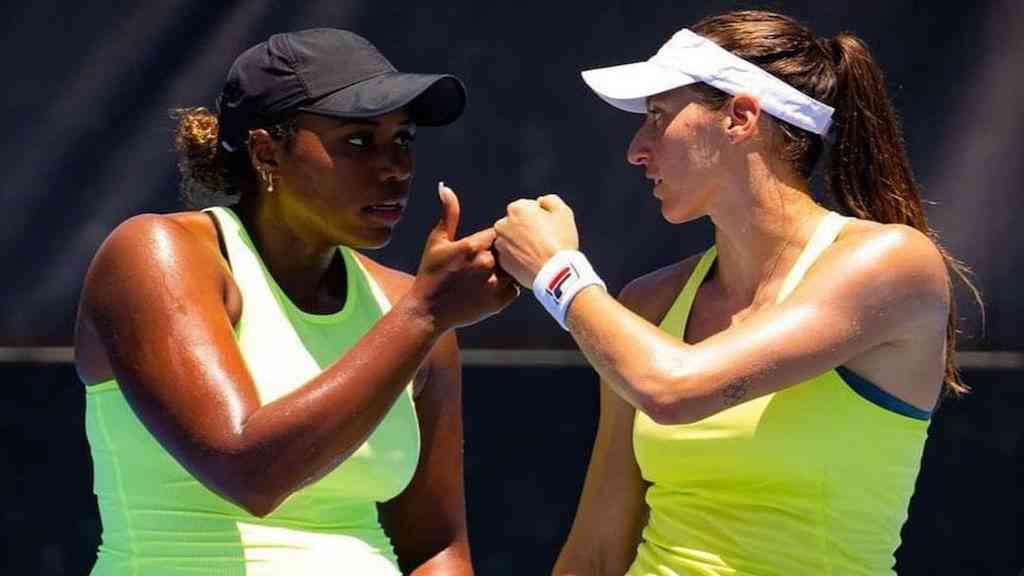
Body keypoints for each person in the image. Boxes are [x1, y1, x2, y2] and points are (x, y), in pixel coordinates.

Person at [492, 10, 977, 576]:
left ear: (740, 118)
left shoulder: (892, 262)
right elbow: (597, 550)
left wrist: (557, 273)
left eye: (658, 116)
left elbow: (673, 389)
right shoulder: (649, 302)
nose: (636, 150)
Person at [74, 28, 516, 575]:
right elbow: (248, 474)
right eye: (359, 141)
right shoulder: (153, 254)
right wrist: (425, 315)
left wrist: (425, 314)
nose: (396, 167)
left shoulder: (410, 303)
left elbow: (436, 547)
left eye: (403, 139)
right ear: (267, 151)